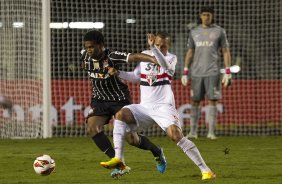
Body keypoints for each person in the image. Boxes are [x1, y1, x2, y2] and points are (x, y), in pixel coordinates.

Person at [100, 32, 216, 181]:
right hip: (145, 107)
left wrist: (153, 48)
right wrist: (119, 73)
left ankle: (206, 170)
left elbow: (164, 65)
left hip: (163, 107)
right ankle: (119, 160)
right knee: (120, 115)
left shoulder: (171, 58)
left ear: (169, 45)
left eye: (163, 45)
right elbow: (136, 76)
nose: (160, 47)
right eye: (158, 44)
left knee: (176, 136)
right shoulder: (145, 55)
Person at [81, 30, 166, 178]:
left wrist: (153, 58)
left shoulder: (111, 56)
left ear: (101, 45)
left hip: (119, 99)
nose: (89, 50)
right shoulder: (84, 56)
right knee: (92, 128)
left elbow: (133, 56)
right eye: (87, 47)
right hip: (99, 100)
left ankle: (157, 151)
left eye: (92, 47)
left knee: (131, 139)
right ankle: (120, 164)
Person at [181, 6, 232, 140]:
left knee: (213, 101)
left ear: (212, 16)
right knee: (195, 101)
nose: (206, 17)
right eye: (204, 15)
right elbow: (190, 52)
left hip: (213, 72)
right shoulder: (194, 32)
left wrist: (228, 71)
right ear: (200, 16)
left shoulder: (219, 31)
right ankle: (193, 132)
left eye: (208, 15)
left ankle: (211, 132)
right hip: (196, 72)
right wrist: (185, 71)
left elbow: (226, 51)